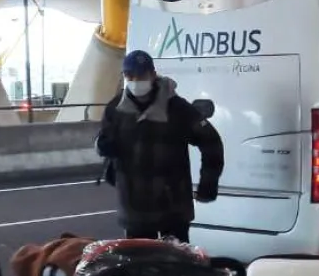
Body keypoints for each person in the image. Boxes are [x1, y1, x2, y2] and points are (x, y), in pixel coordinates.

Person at [96, 50, 224, 243]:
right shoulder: (115, 109)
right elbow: (102, 140)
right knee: (140, 267)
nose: (135, 80)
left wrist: (208, 184)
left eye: (141, 75)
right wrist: (102, 145)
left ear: (153, 74)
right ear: (124, 76)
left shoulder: (178, 109)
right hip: (134, 209)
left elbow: (211, 141)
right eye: (130, 75)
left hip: (173, 208)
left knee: (175, 264)